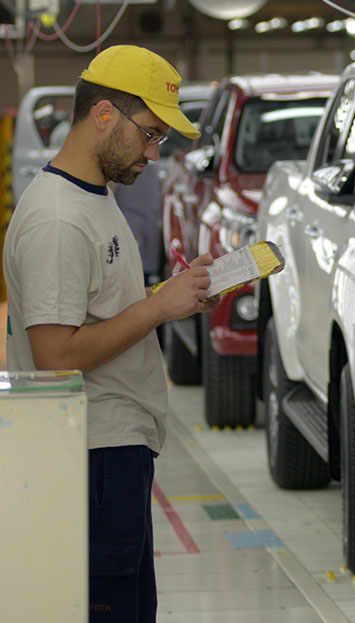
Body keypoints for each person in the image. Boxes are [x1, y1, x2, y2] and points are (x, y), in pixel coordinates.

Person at [3, 45, 215, 623]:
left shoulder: (92, 197)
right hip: (90, 460)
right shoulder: (57, 220)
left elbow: (92, 314)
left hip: (113, 451)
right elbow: (54, 356)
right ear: (103, 116)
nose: (153, 153)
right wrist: (155, 310)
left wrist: (167, 300)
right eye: (149, 134)